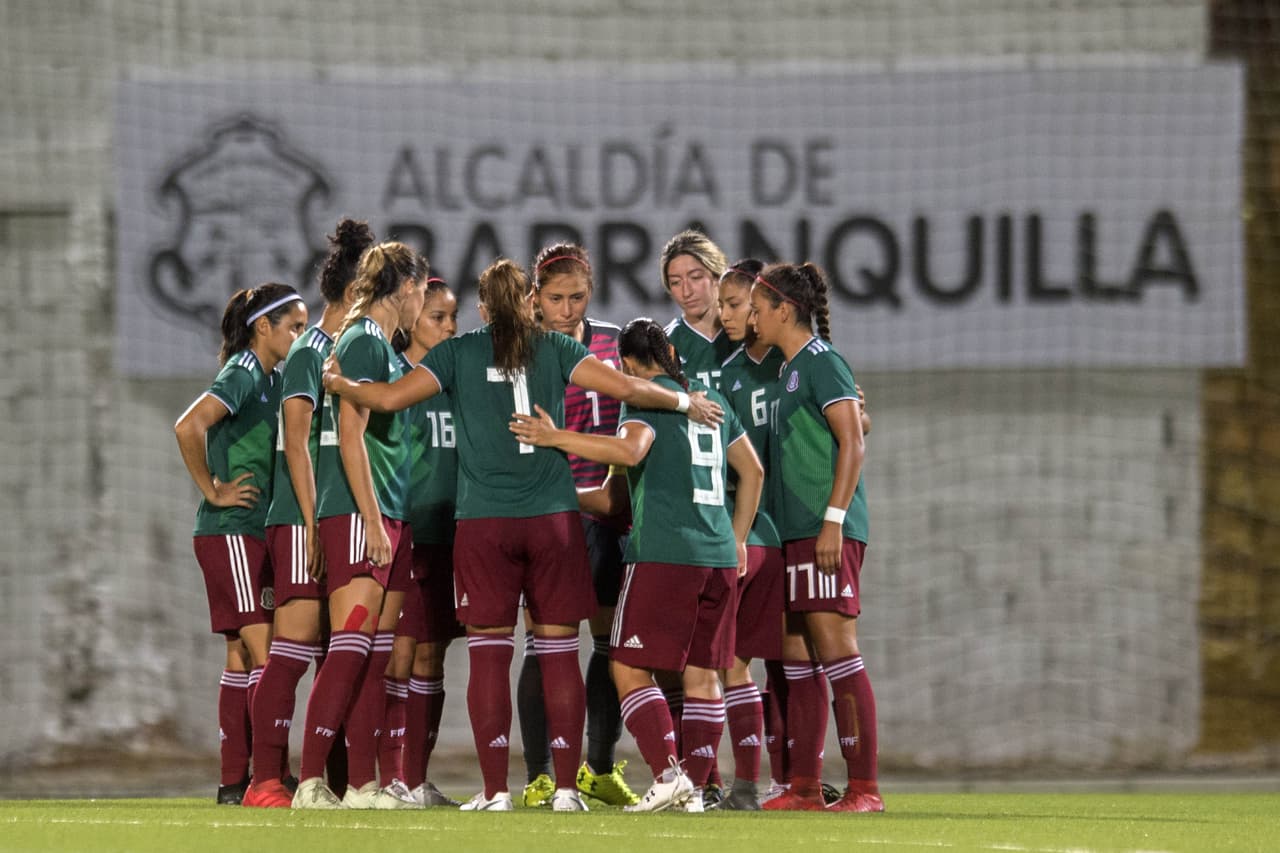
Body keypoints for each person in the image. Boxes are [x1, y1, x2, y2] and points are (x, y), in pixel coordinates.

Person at [322, 258, 722, 812]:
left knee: (490, 657)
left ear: (484, 307)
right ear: (530, 301)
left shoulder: (457, 353)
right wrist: (684, 400)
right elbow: (626, 385)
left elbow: (387, 400)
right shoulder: (556, 349)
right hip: (554, 521)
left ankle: (495, 792)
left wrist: (341, 382)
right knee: (559, 654)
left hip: (484, 524)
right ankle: (566, 791)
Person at [509, 317, 763, 813]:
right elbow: (752, 470)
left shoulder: (645, 401)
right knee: (703, 676)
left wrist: (555, 437)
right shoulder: (711, 401)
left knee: (626, 666)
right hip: (717, 556)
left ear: (626, 365)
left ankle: (668, 776)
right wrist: (737, 538)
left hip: (665, 554)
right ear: (670, 354)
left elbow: (629, 450)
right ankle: (694, 791)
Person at [241, 219, 374, 809]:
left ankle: (339, 781)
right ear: (355, 292)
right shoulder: (309, 351)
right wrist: (314, 520)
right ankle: (264, 780)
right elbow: (296, 443)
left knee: (340, 649)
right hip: (302, 517)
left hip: (331, 516)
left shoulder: (350, 352)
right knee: (292, 649)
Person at [290, 242, 428, 810]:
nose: (423, 303)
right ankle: (309, 781)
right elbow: (350, 438)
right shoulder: (364, 339)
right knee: (349, 649)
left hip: (389, 512)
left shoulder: (381, 346)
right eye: (422, 291)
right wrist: (370, 521)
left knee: (372, 655)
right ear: (405, 287)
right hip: (358, 512)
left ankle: (362, 783)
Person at [749, 262, 883, 813]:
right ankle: (804, 787)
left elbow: (854, 442)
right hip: (793, 533)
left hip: (826, 530)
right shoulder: (790, 370)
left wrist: (833, 519)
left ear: (784, 310)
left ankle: (864, 789)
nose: (752, 318)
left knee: (837, 652)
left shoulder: (824, 362)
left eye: (758, 308)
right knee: (795, 657)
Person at [174, 283, 308, 804]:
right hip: (232, 530)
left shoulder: (272, 377)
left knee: (242, 657)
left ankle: (235, 780)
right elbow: (189, 426)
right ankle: (270, 775)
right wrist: (213, 489)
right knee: (270, 655)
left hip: (251, 531)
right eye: (294, 327)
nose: (299, 336)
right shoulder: (244, 370)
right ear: (263, 327)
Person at [515, 243, 638, 809]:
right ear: (535, 298)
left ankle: (599, 767)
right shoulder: (520, 353)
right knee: (545, 642)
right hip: (549, 518)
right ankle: (539, 775)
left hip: (610, 515)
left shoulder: (614, 344)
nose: (567, 310)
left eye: (577, 297)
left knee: (610, 641)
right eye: (556, 298)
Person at [386, 277, 464, 807]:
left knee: (432, 655)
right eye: (438, 317)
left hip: (449, 534)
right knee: (398, 654)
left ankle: (415, 778)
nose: (450, 327)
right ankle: (388, 776)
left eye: (453, 317)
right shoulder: (394, 378)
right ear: (412, 319)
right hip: (405, 532)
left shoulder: (458, 381)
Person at [713, 259, 786, 810]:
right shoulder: (730, 370)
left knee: (745, 664)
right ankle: (764, 784)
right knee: (746, 664)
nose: (727, 314)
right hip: (764, 531)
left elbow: (750, 470)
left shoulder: (799, 363)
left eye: (736, 304)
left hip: (760, 532)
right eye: (723, 305)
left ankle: (764, 783)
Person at [660, 229, 736, 390]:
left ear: (716, 277)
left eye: (695, 277)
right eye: (675, 282)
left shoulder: (747, 335)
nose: (686, 292)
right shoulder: (665, 345)